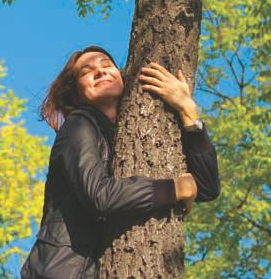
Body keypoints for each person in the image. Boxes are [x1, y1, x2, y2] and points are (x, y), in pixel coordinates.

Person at [21, 45, 220, 279]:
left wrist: (188, 111)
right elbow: (101, 196)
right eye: (87, 71)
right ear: (75, 93)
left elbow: (207, 188)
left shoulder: (121, 137)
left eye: (107, 65)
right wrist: (175, 187)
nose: (100, 72)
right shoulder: (78, 124)